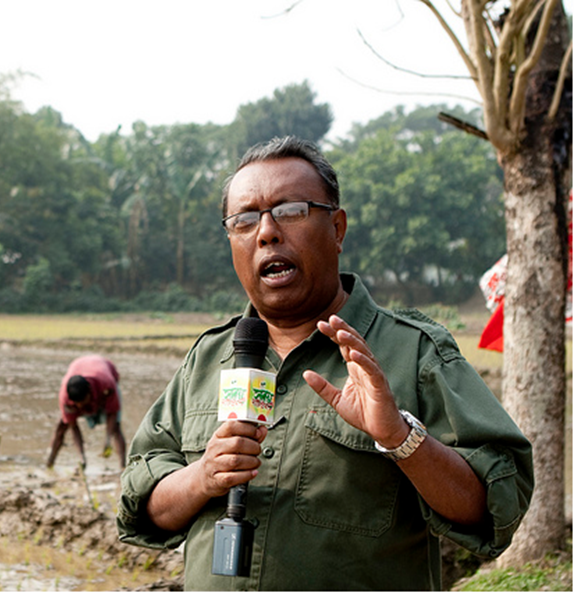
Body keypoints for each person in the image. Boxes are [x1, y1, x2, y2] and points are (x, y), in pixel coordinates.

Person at [116, 136, 534, 590]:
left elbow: (497, 503)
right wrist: (203, 476)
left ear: (337, 229)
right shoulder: (208, 358)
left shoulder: (412, 351)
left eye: (291, 211)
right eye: (244, 220)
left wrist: (399, 436)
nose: (267, 232)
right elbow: (142, 503)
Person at [47, 355, 127, 470]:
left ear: (89, 392)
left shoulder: (106, 384)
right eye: (77, 404)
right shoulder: (65, 398)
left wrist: (107, 441)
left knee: (116, 427)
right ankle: (49, 463)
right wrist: (82, 457)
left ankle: (123, 467)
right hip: (79, 367)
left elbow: (112, 413)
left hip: (104, 375)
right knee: (62, 426)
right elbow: (73, 426)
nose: (80, 406)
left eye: (82, 402)